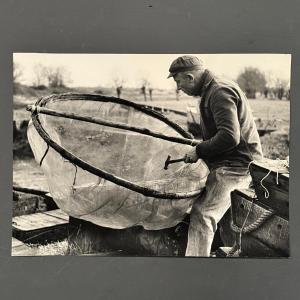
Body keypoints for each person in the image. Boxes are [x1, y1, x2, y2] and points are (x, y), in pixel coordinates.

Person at [167, 55, 263, 256]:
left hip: (238, 166)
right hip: (230, 160)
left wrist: (200, 150)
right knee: (215, 209)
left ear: (190, 77)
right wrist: (199, 145)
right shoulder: (212, 88)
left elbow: (229, 137)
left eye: (178, 81)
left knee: (203, 214)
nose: (178, 87)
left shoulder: (218, 91)